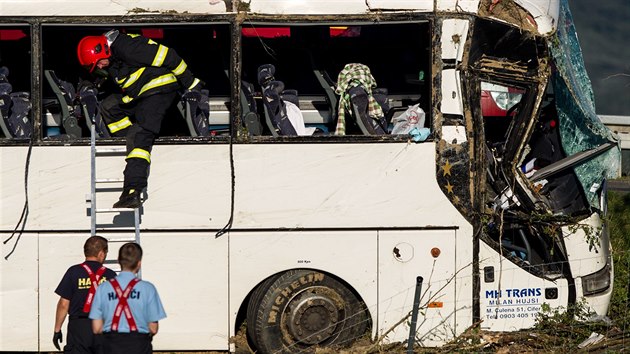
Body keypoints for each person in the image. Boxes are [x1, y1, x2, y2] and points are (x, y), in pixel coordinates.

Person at [76, 29, 204, 208]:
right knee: (109, 106)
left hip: (159, 90)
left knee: (139, 135)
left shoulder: (129, 48)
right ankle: (128, 143)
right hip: (140, 93)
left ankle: (132, 190)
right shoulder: (113, 55)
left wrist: (191, 84)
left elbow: (170, 56)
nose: (100, 68)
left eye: (98, 64)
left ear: (102, 50)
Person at [89, 242, 166, 354]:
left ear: (119, 261)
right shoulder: (148, 288)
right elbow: (153, 328)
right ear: (139, 263)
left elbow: (96, 328)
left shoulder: (103, 288)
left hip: (110, 345)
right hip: (139, 345)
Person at [53, 236, 117, 353]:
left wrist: (57, 330)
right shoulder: (111, 275)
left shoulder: (73, 272)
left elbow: (63, 304)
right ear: (101, 253)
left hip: (79, 327)